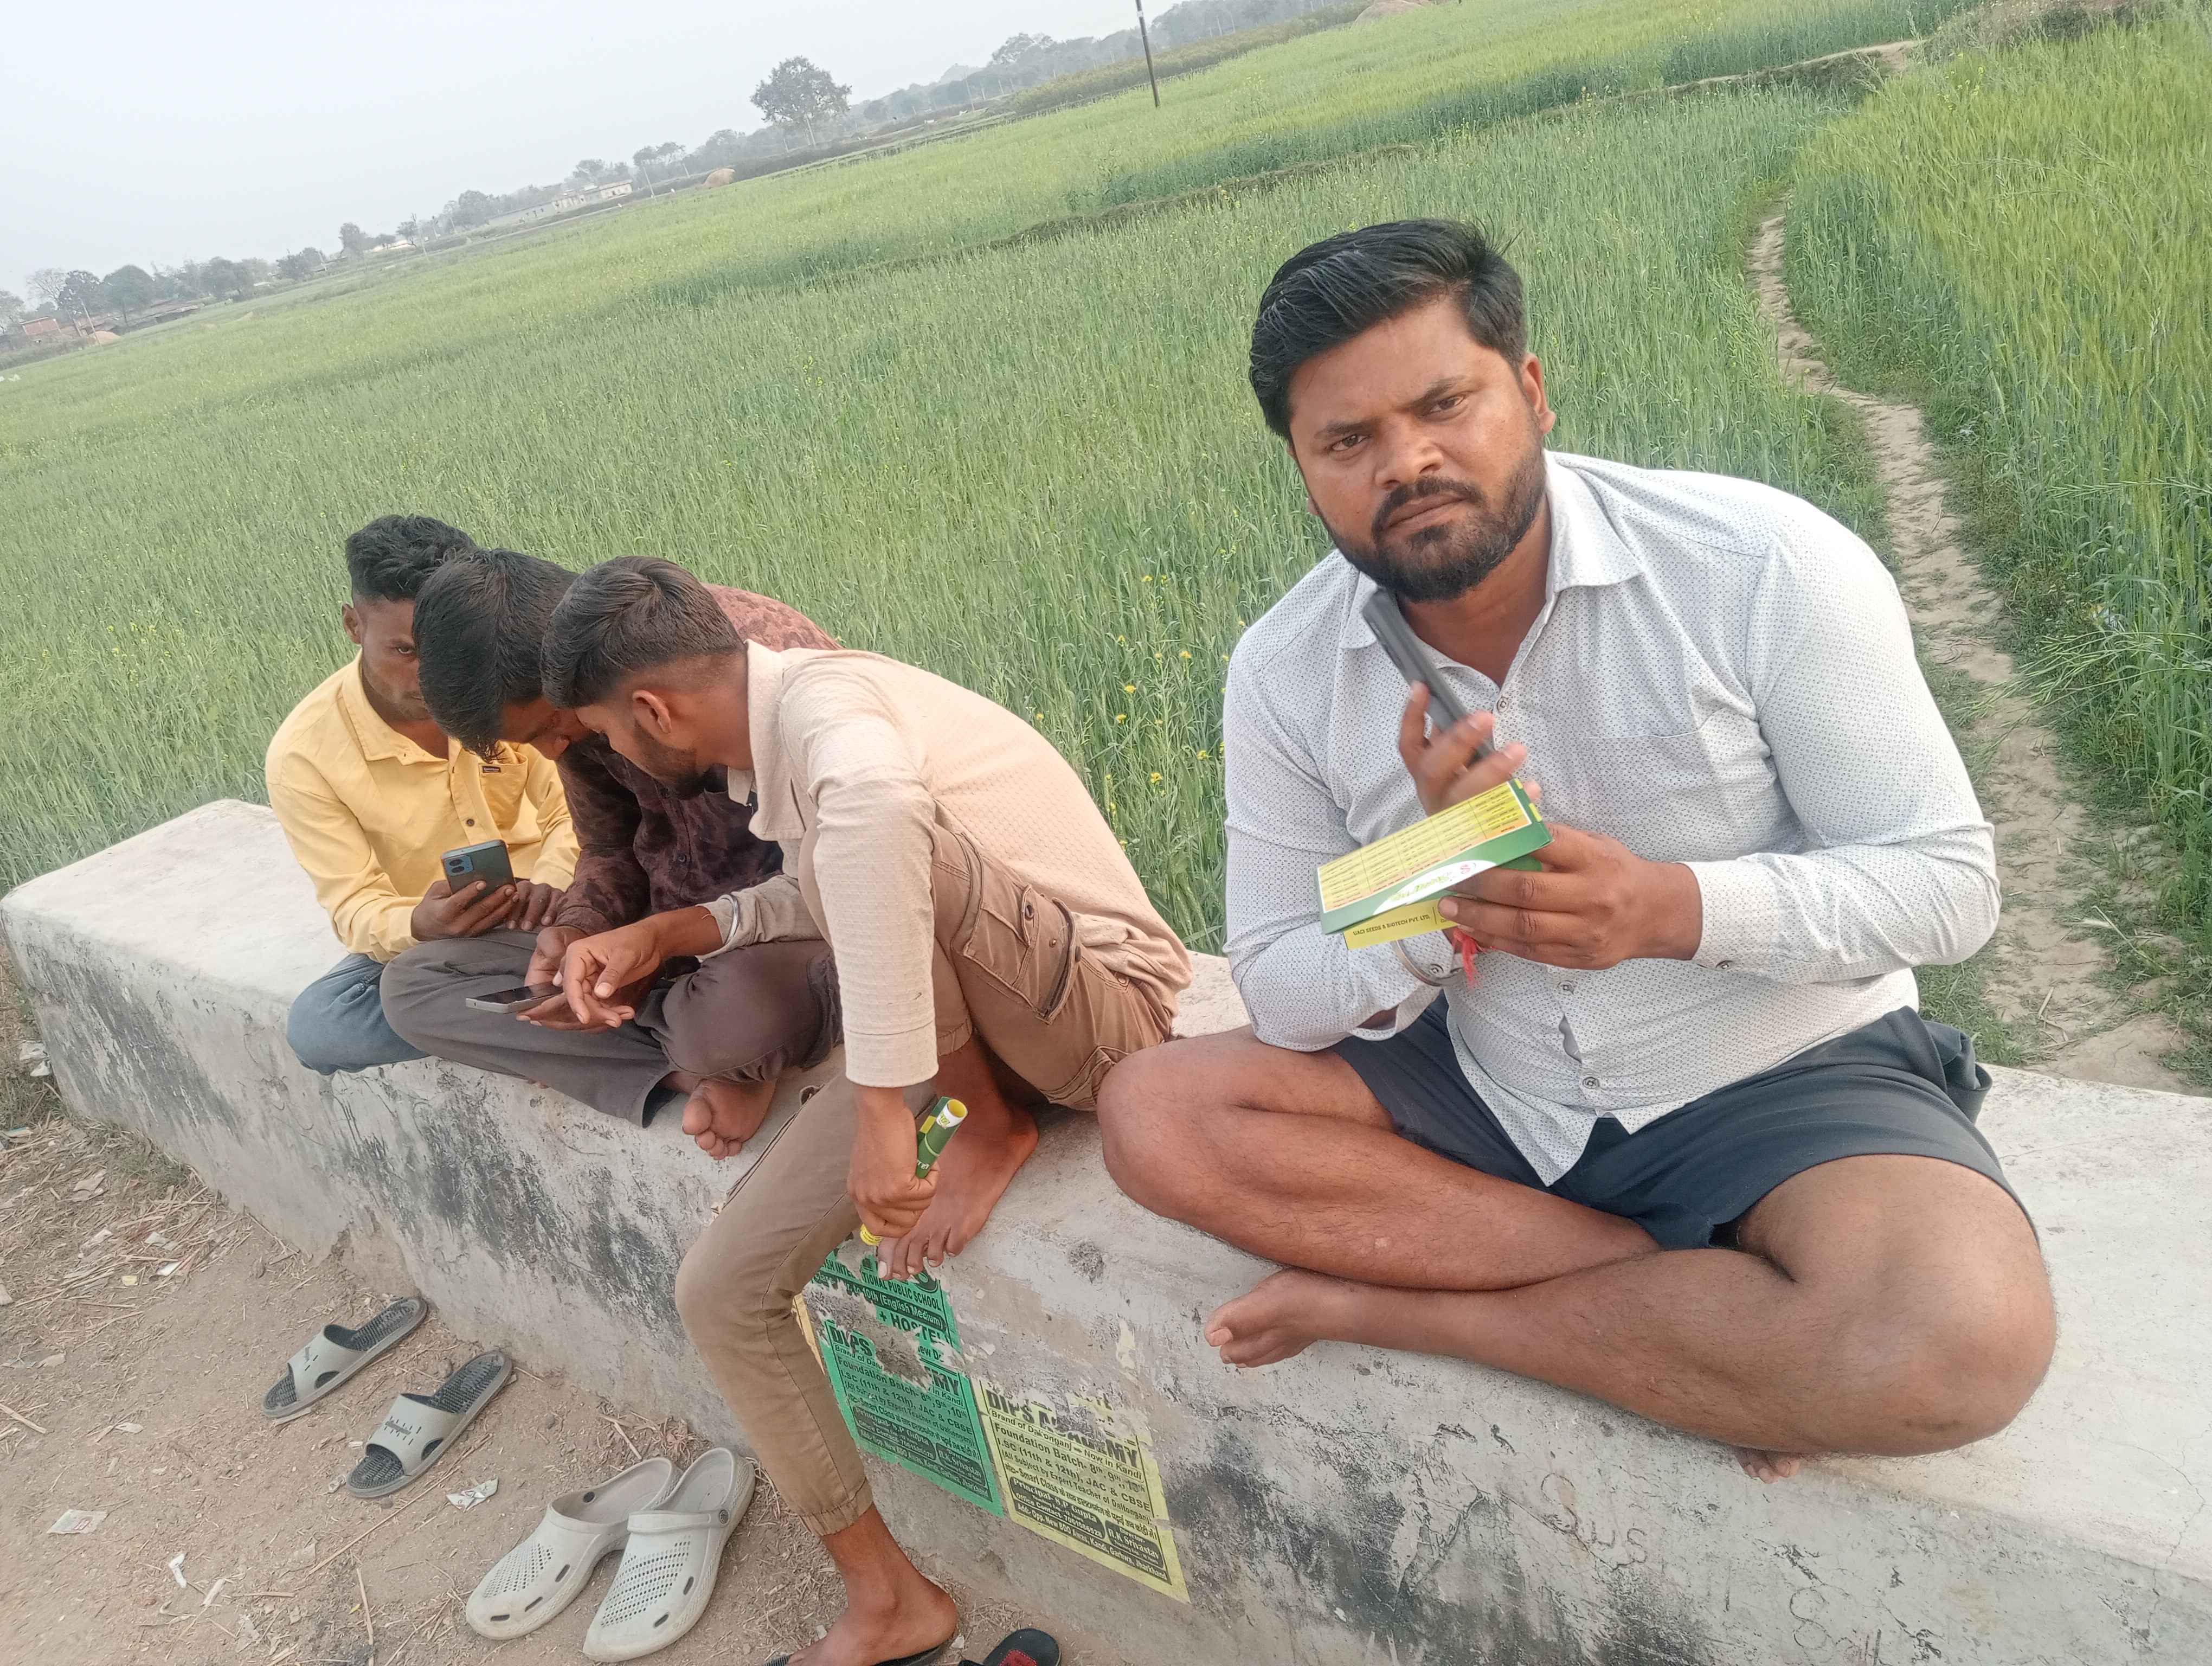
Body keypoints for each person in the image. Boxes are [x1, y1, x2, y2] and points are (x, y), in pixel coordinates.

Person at [1096, 219, 2055, 1484]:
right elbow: (1276, 975)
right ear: (1302, 465)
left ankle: (1414, 1312)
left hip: (1773, 1065)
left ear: (1532, 391)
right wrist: (1436, 884)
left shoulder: (1755, 565)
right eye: (1348, 440)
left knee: (1956, 1341)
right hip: (1491, 1080)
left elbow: (1945, 881)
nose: (1408, 461)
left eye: (1444, 405)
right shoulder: (1285, 668)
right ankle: (1676, 1299)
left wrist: (1669, 908)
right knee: (1156, 1114)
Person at [538, 556, 1191, 1666]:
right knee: (721, 1290)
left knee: (897, 846)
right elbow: (831, 881)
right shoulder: (777, 750)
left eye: (605, 733)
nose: (614, 757)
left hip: (1099, 1021)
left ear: (651, 709)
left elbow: (888, 834)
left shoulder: (832, 713)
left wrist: (890, 1110)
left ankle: (987, 1124)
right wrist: (671, 931)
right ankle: (891, 1599)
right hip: (959, 1038)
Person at [380, 546, 842, 1148]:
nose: (554, 750)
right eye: (529, 741)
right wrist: (580, 931)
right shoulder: (572, 720)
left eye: (551, 726)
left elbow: (829, 889)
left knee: (733, 1021)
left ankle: (706, 1051)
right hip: (658, 945)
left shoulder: (729, 670)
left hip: (775, 934)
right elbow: (608, 846)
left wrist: (661, 943)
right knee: (412, 986)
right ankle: (688, 1063)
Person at [266, 516, 575, 1074]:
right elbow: (356, 905)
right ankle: (567, 1011)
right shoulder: (303, 755)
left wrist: (550, 885)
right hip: (439, 946)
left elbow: (574, 813)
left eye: (444, 650)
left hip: (561, 906)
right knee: (323, 1025)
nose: (430, 676)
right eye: (405, 651)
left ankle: (528, 1019)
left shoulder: (505, 687)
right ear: (353, 624)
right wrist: (418, 923)